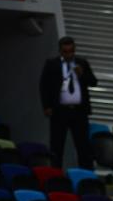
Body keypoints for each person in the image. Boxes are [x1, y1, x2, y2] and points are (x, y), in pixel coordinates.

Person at [39, 36, 97, 168]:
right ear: (60, 51)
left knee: (83, 146)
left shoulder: (82, 63)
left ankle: (86, 176)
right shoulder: (51, 64)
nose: (69, 55)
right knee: (57, 147)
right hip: (59, 111)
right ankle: (56, 175)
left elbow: (94, 82)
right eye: (65, 52)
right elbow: (44, 86)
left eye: (71, 51)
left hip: (79, 112)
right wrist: (46, 106)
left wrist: (83, 74)